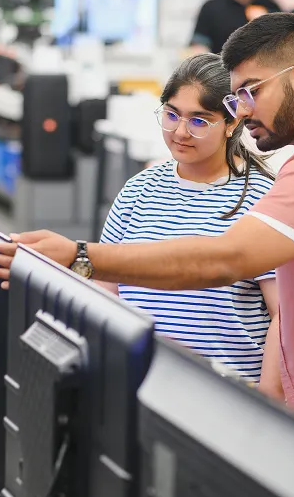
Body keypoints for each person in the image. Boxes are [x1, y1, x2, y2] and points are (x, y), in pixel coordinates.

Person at [0, 12, 294, 453]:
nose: (242, 110)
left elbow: (227, 259)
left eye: (251, 92)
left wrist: (80, 255)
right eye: (236, 96)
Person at [97, 54, 278, 384]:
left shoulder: (263, 200)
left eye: (199, 121)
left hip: (228, 393)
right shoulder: (139, 189)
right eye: (171, 114)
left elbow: (286, 316)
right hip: (140, 382)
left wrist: (267, 402)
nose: (180, 132)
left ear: (232, 122)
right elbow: (104, 290)